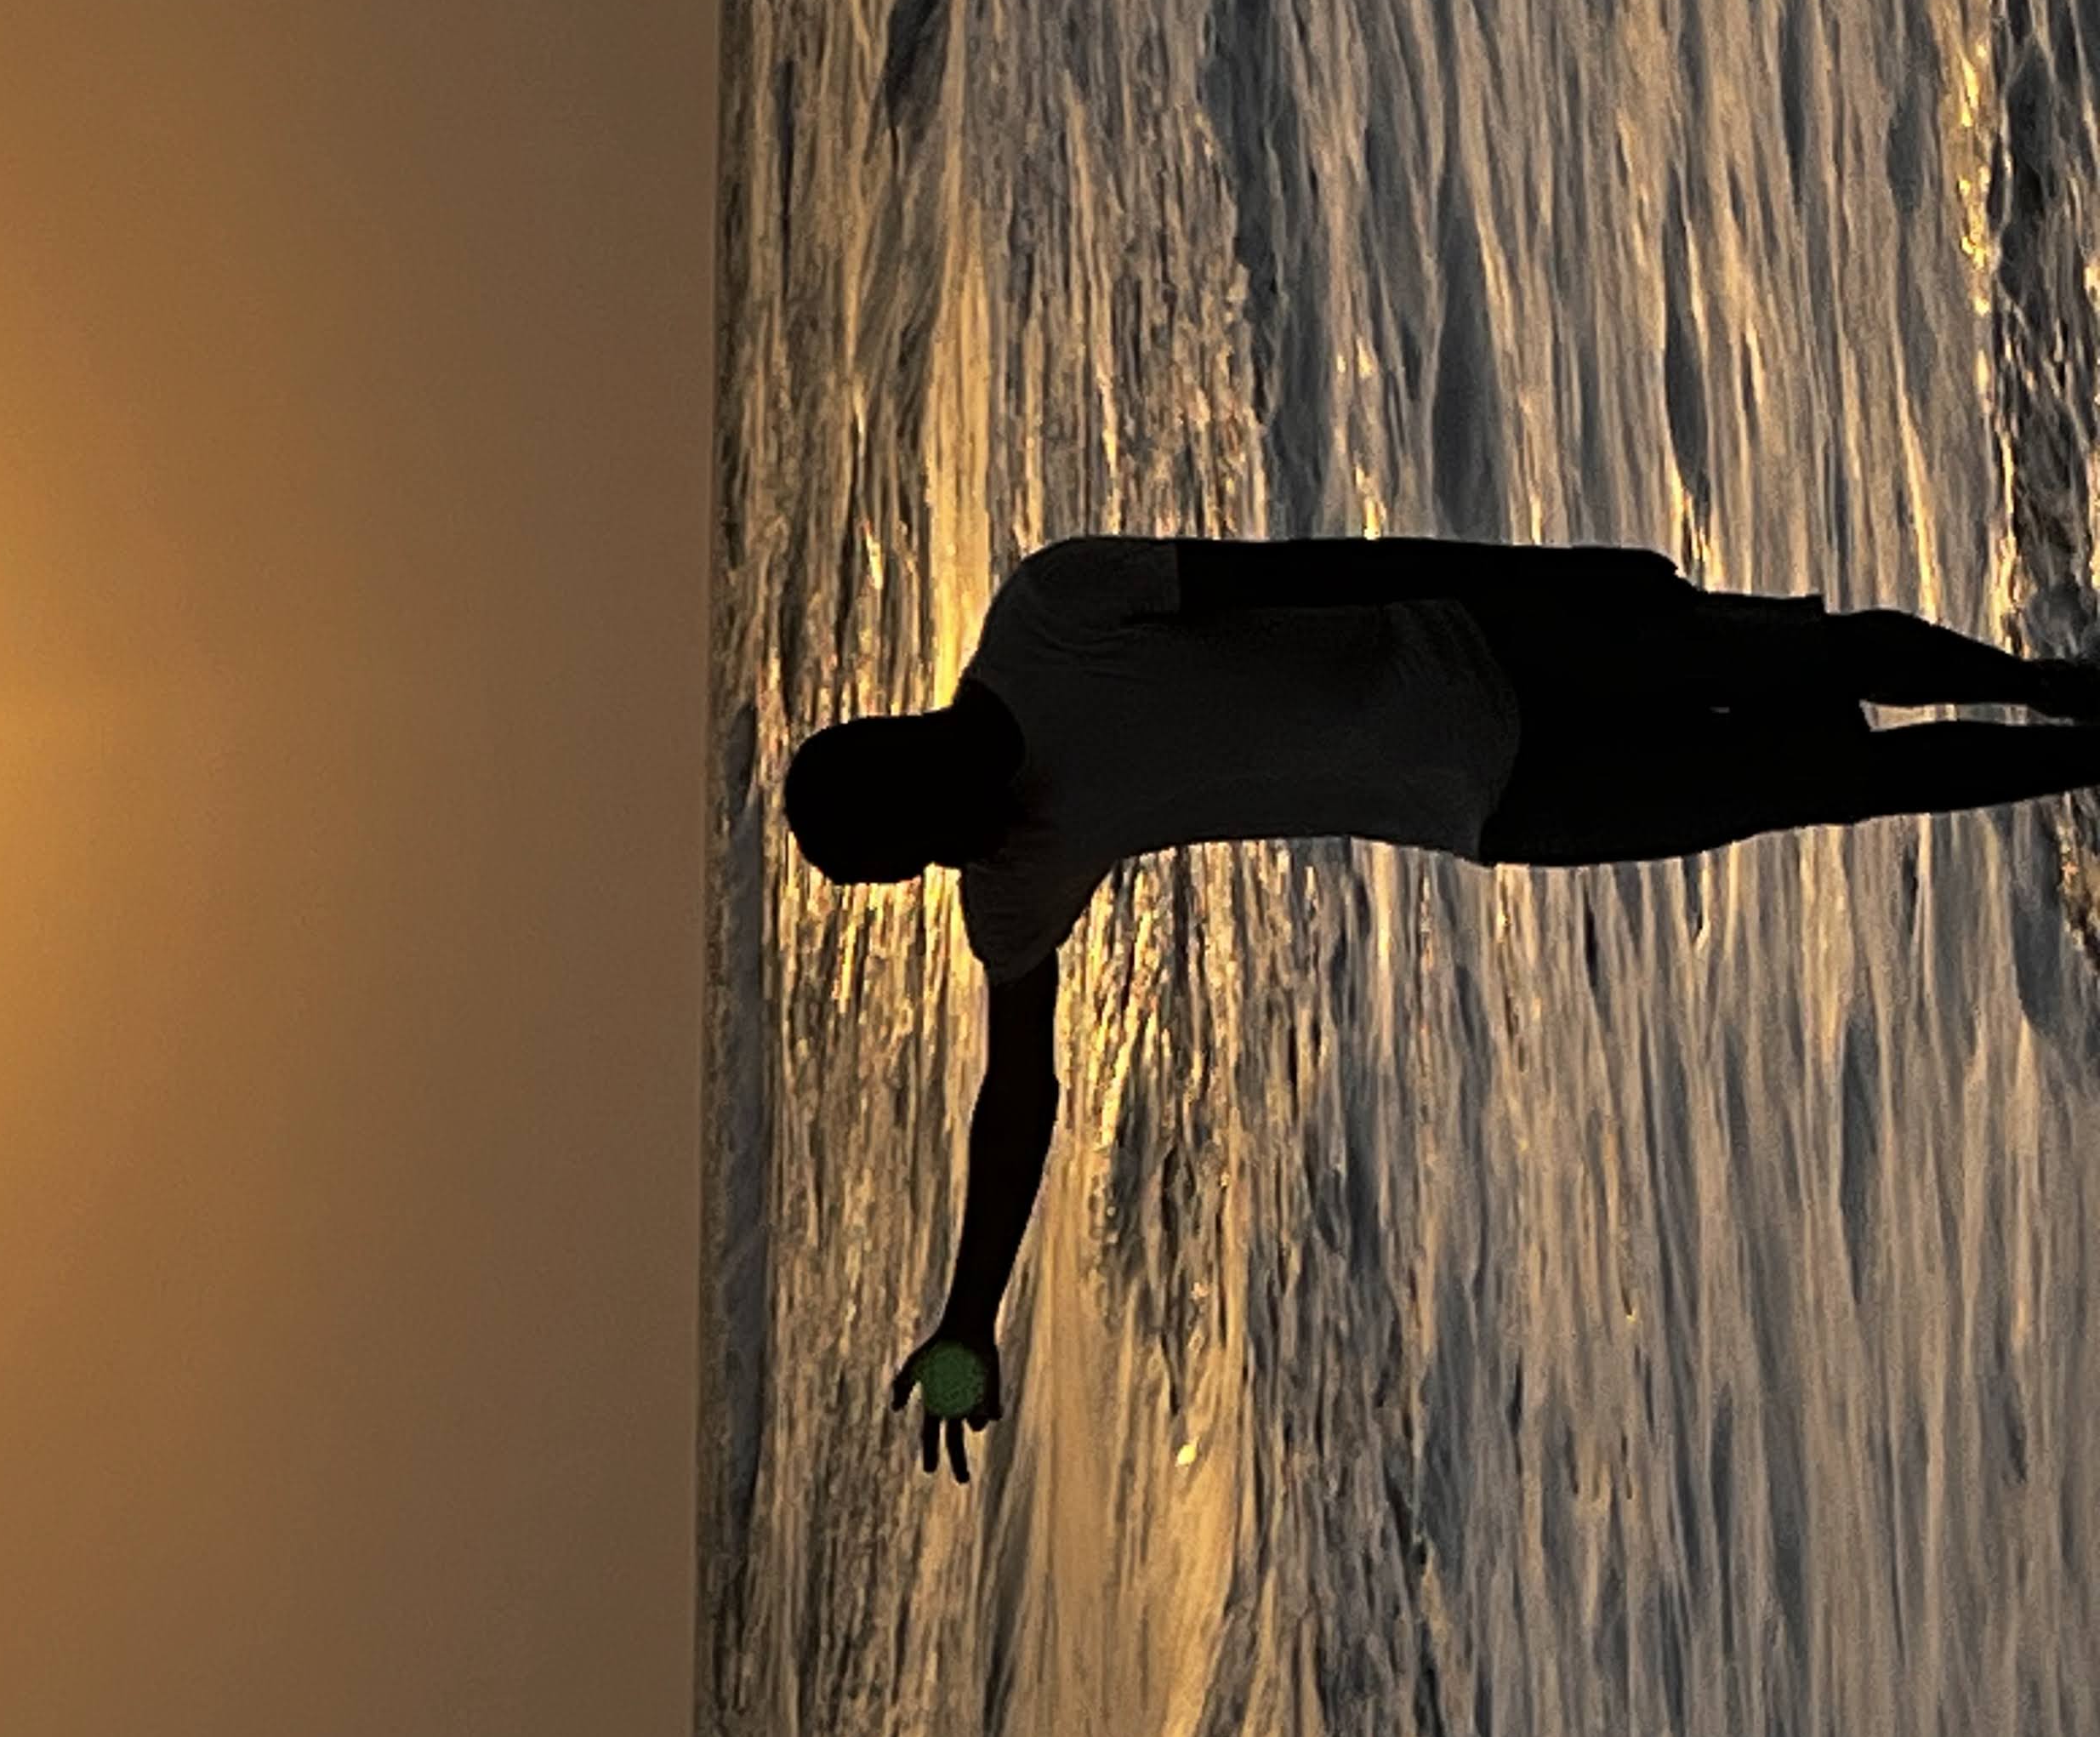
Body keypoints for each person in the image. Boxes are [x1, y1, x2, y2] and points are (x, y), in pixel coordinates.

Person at [782, 536, 2100, 1481]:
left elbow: (1314, 567)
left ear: (903, 750)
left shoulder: (1055, 612)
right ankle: (2083, 750)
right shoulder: (1013, 882)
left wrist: (1533, 574)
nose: (944, 868)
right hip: (1490, 806)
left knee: (1797, 654)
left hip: (1490, 634)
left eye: (918, 844)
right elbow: (1016, 1105)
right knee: (1823, 780)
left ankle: (2051, 683)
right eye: (918, 872)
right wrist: (968, 1317)